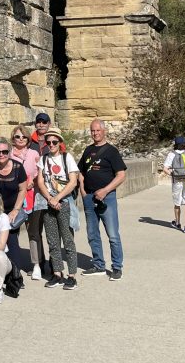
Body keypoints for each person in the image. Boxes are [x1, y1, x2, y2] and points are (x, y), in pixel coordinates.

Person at [78, 120, 126, 279]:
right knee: (92, 233)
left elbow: (121, 175)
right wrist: (83, 191)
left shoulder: (111, 151)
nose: (95, 133)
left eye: (98, 130)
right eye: (92, 130)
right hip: (89, 197)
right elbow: (81, 172)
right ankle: (98, 265)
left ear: (104, 131)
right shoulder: (88, 150)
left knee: (112, 234)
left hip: (107, 198)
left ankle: (117, 267)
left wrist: (105, 191)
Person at [36, 128, 80, 289]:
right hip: (49, 202)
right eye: (48, 142)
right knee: (52, 240)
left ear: (60, 142)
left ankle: (72, 275)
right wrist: (49, 198)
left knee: (68, 239)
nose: (51, 145)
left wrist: (57, 198)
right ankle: (57, 273)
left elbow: (73, 182)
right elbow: (40, 181)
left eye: (54, 142)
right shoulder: (43, 159)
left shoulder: (67, 158)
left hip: (64, 202)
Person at [11, 126, 42, 277]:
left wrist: (33, 181)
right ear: (13, 139)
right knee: (13, 230)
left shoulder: (34, 153)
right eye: (17, 136)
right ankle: (13, 263)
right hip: (15, 197)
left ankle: (36, 264)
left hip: (32, 196)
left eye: (23, 137)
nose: (21, 139)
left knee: (33, 231)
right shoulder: (9, 155)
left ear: (28, 139)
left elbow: (40, 172)